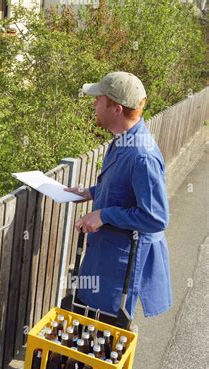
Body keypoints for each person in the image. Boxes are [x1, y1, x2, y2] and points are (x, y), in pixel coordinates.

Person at [64, 71, 172, 319]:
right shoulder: (122, 140)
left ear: (117, 108)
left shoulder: (142, 156)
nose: (94, 104)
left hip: (117, 271)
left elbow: (155, 217)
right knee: (82, 318)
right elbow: (121, 190)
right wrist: (88, 192)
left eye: (99, 99)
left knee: (101, 333)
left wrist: (104, 214)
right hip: (102, 256)